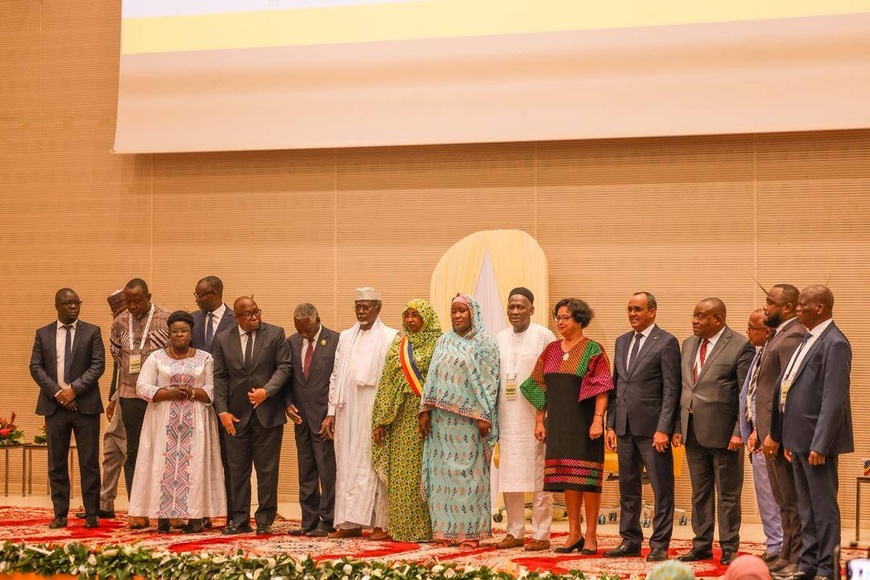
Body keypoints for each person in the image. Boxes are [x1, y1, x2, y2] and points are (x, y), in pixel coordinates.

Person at [768, 285, 853, 580]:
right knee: (806, 509)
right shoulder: (807, 339)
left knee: (823, 508)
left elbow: (834, 399)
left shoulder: (835, 342)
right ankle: (808, 565)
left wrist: (821, 444)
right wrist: (786, 436)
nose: (798, 309)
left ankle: (828, 569)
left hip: (818, 443)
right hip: (798, 440)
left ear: (820, 308)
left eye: (804, 305)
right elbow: (788, 388)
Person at [520, 297, 614, 554]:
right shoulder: (550, 350)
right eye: (557, 317)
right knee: (568, 479)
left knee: (587, 480)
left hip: (584, 423)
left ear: (580, 320)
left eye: (565, 317)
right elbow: (538, 386)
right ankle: (574, 534)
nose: (560, 322)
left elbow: (602, 388)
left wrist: (598, 420)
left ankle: (591, 535)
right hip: (558, 422)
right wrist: (540, 420)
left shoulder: (593, 349)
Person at [672, 298, 754, 566]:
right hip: (692, 429)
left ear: (718, 319)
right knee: (700, 492)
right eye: (694, 315)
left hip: (724, 434)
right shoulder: (688, 344)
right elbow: (684, 389)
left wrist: (739, 431)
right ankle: (702, 544)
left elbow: (745, 394)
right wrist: (677, 427)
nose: (694, 321)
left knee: (728, 494)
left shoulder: (741, 345)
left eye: (701, 316)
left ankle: (729, 546)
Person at [128, 310, 225, 533]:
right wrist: (168, 393)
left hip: (196, 423)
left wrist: (192, 392)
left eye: (184, 331)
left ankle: (195, 518)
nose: (179, 335)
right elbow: (142, 387)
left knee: (195, 467)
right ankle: (162, 517)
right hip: (162, 423)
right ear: (168, 334)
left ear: (191, 334)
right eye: (175, 331)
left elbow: (213, 389)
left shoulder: (205, 358)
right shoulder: (156, 357)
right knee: (161, 466)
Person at [604, 292, 680, 562]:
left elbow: (672, 390)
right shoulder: (622, 341)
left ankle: (660, 543)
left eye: (638, 309)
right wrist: (611, 425)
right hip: (624, 427)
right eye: (629, 309)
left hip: (653, 431)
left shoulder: (667, 342)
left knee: (662, 488)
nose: (633, 314)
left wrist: (664, 428)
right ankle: (630, 539)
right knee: (628, 487)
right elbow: (616, 386)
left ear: (652, 312)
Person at [419, 294, 499, 548]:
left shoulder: (485, 343)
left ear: (473, 313)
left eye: (462, 311)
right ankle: (444, 531)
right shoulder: (444, 341)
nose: (456, 316)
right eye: (453, 311)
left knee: (470, 478)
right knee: (443, 478)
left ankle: (471, 533)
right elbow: (432, 376)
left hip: (471, 423)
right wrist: (425, 411)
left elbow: (491, 381)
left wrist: (484, 414)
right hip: (442, 423)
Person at [322, 287, 397, 539]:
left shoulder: (391, 336)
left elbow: (391, 379)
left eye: (366, 307)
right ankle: (349, 524)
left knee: (372, 464)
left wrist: (385, 415)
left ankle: (380, 524)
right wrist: (331, 411)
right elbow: (335, 374)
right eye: (357, 306)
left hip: (373, 409)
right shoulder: (345, 336)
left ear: (378, 308)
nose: (361, 311)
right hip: (347, 409)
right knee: (346, 465)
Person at [213, 296, 292, 536]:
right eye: (248, 314)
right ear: (237, 317)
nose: (255, 317)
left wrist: (266, 392)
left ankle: (265, 520)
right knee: (237, 470)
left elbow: (285, 367)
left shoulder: (275, 334)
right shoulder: (223, 339)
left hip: (267, 413)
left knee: (267, 470)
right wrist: (222, 411)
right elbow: (219, 377)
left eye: (257, 312)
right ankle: (238, 519)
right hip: (235, 416)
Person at [30, 288, 106, 529]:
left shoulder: (92, 331)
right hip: (55, 407)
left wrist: (74, 389)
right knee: (57, 463)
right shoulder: (42, 334)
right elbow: (35, 367)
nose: (74, 307)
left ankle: (92, 513)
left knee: (89, 462)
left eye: (77, 303)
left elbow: (98, 365)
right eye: (68, 303)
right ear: (57, 306)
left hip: (85, 406)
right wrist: (58, 393)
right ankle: (60, 513)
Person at [372, 299, 442, 543]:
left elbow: (441, 380)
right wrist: (381, 420)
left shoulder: (439, 343)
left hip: (430, 417)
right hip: (400, 418)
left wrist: (428, 409)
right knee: (402, 474)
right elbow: (388, 382)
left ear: (427, 317)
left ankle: (427, 529)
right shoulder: (399, 345)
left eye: (416, 315)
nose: (410, 319)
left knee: (424, 474)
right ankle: (401, 528)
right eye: (407, 315)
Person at [493, 288, 555, 552]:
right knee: (510, 477)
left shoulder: (544, 336)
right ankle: (514, 531)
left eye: (521, 307)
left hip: (536, 418)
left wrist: (547, 417)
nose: (515, 311)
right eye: (512, 307)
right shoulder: (499, 337)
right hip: (507, 417)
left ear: (531, 309)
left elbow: (551, 378)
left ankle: (541, 534)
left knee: (539, 477)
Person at [109, 278, 171, 529]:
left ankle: (167, 509)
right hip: (129, 394)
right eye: (129, 301)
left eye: (137, 301)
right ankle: (138, 508)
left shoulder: (166, 318)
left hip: (158, 396)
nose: (132, 306)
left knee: (163, 451)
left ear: (149, 296)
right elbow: (117, 355)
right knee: (134, 451)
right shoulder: (119, 322)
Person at [757, 284, 806, 576]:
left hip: (779, 433)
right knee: (782, 500)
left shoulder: (792, 336)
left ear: (787, 308)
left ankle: (796, 557)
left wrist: (778, 433)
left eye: (770, 302)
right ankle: (786, 551)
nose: (765, 308)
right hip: (767, 431)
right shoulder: (780, 334)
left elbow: (788, 392)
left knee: (791, 500)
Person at [285, 303, 339, 537]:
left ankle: (327, 520)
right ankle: (308, 519)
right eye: (299, 331)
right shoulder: (291, 342)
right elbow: (287, 376)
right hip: (301, 419)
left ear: (318, 319)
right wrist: (288, 404)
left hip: (324, 419)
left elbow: (338, 380)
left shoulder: (336, 341)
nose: (303, 335)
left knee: (327, 470)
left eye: (307, 330)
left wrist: (332, 412)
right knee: (305, 470)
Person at [76, 289, 127, 521]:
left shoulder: (137, 325)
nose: (116, 316)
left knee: (121, 446)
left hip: (135, 397)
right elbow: (118, 368)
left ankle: (139, 505)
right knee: (112, 448)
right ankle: (104, 502)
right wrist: (113, 397)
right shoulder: (121, 325)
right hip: (121, 395)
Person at [190, 275, 236, 527]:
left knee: (229, 458)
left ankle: (232, 514)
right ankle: (201, 512)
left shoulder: (233, 319)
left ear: (216, 293)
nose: (196, 300)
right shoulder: (192, 320)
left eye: (201, 295)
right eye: (195, 295)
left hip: (226, 399)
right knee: (199, 458)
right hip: (197, 401)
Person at [739, 309, 784, 565]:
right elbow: (750, 395)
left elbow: (770, 399)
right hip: (756, 436)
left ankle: (779, 546)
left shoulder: (775, 354)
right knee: (765, 495)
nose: (747, 332)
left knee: (775, 496)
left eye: (751, 327)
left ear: (766, 331)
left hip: (769, 435)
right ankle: (774, 544)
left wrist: (760, 429)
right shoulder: (759, 354)